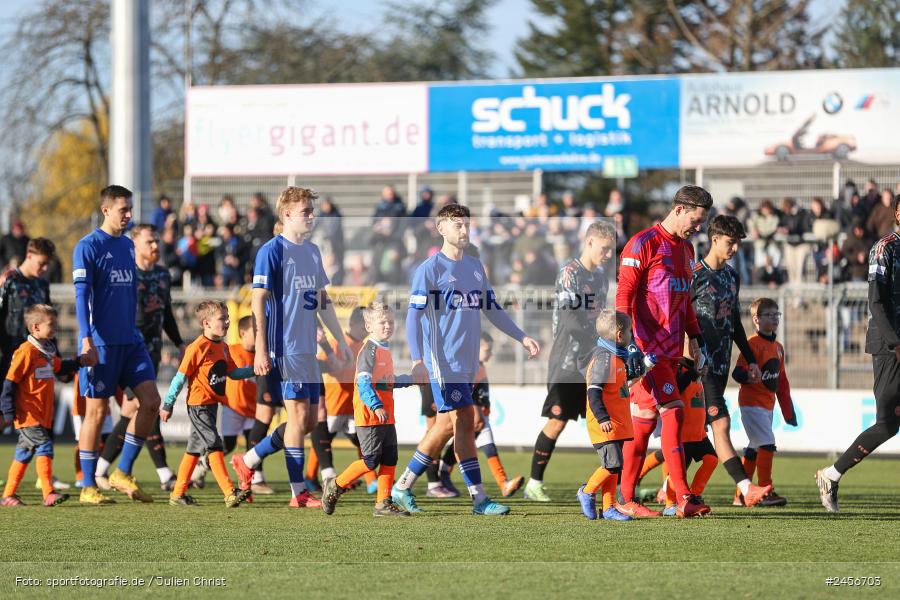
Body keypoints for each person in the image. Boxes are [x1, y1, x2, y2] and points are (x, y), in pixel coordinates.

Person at [391, 203, 540, 516]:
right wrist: (418, 360)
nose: (464, 230)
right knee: (464, 421)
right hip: (442, 364)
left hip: (467, 363)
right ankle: (479, 499)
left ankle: (403, 486)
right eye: (457, 224)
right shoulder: (429, 270)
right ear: (441, 228)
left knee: (450, 426)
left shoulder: (474, 266)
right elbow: (412, 318)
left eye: (466, 224)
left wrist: (521, 336)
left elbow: (492, 308)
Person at [230, 186, 351, 509]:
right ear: (286, 216)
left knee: (310, 421)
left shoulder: (311, 252)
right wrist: (259, 349)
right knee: (297, 418)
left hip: (308, 350)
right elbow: (258, 299)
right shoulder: (270, 251)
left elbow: (322, 301)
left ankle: (251, 458)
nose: (311, 216)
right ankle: (299, 492)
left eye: (312, 211)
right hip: (284, 348)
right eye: (305, 212)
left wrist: (339, 340)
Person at [615, 185, 713, 519]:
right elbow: (624, 296)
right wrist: (626, 343)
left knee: (643, 424)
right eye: (696, 220)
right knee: (673, 409)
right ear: (681, 209)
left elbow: (684, 300)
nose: (698, 228)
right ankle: (682, 496)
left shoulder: (687, 250)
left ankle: (623, 497)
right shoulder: (643, 243)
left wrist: (695, 339)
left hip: (671, 349)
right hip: (646, 350)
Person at [73, 185, 163, 505]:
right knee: (96, 413)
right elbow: (82, 297)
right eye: (123, 209)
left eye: (130, 209)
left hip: (131, 342)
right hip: (102, 343)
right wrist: (86, 338)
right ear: (106, 210)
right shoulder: (87, 247)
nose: (129, 215)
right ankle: (87, 486)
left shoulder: (127, 246)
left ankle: (122, 470)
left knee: (151, 402)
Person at [816, 195, 900, 512]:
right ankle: (831, 475)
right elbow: (876, 302)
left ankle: (831, 475)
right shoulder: (885, 247)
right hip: (889, 344)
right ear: (897, 214)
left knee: (889, 425)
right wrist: (896, 343)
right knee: (887, 424)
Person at [523, 221, 615, 502]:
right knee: (557, 420)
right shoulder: (569, 272)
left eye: (612, 250)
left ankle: (620, 485)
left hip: (593, 358)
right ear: (589, 243)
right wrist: (598, 341)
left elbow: (598, 317)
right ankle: (534, 484)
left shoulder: (600, 277)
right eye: (605, 249)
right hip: (567, 358)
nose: (609, 255)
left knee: (608, 419)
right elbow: (569, 318)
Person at [95, 224, 185, 492]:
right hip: (129, 350)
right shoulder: (126, 274)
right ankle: (163, 472)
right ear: (135, 246)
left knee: (132, 410)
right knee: (146, 405)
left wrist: (179, 342)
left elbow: (166, 312)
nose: (156, 246)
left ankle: (102, 470)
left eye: (157, 241)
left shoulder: (162, 274)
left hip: (152, 350)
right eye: (150, 242)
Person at [690, 215, 772, 507]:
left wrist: (749, 359)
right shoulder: (693, 274)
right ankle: (746, 488)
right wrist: (690, 350)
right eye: (730, 242)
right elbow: (680, 317)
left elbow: (734, 322)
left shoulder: (732, 276)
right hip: (698, 366)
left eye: (737, 242)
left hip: (722, 364)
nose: (735, 248)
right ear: (714, 239)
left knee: (693, 434)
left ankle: (665, 489)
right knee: (720, 425)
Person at [321, 302, 413, 517]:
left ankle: (383, 503)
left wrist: (409, 380)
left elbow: (385, 382)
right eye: (382, 322)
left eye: (390, 321)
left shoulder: (384, 348)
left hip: (386, 414)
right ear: (369, 325)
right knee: (371, 460)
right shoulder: (369, 349)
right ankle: (335, 485)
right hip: (370, 414)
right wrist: (376, 404)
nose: (388, 326)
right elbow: (363, 383)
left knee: (390, 458)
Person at [160, 301, 254, 507]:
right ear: (206, 323)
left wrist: (254, 369)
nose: (227, 321)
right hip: (199, 405)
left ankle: (177, 494)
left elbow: (234, 373)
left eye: (227, 317)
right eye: (222, 318)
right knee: (214, 445)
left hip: (212, 406)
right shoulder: (196, 348)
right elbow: (179, 378)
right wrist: (167, 404)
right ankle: (230, 493)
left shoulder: (223, 347)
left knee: (194, 449)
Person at [0, 305, 80, 506]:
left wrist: (81, 362)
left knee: (24, 453)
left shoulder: (46, 351)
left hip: (41, 415)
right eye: (51, 325)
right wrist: (8, 411)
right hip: (28, 414)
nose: (55, 329)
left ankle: (8, 495)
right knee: (45, 446)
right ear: (35, 327)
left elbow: (61, 367)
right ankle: (48, 493)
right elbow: (9, 382)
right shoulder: (26, 352)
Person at [436, 332, 526, 498]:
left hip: (482, 418)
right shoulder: (471, 368)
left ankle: (503, 484)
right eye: (487, 349)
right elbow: (470, 394)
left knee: (490, 449)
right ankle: (444, 472)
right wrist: (478, 416)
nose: (490, 353)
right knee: (462, 444)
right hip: (475, 418)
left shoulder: (480, 366)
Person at [732, 298, 795, 507]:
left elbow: (782, 382)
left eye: (776, 314)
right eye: (769, 315)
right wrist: (748, 376)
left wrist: (788, 412)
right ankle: (766, 489)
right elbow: (738, 372)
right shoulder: (752, 344)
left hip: (767, 405)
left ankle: (741, 495)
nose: (774, 319)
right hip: (751, 403)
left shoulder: (778, 347)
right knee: (767, 443)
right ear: (756, 319)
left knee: (755, 447)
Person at [576, 310, 638, 522]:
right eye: (630, 331)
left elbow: (620, 385)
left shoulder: (615, 357)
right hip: (605, 423)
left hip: (616, 422)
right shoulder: (603, 358)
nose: (632, 335)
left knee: (615, 466)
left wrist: (643, 369)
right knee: (612, 465)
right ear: (620, 335)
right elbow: (593, 391)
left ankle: (609, 508)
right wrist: (602, 418)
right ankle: (587, 491)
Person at [310, 307, 374, 490]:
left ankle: (372, 481)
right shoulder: (337, 344)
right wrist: (335, 367)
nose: (367, 328)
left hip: (354, 405)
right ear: (353, 323)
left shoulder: (367, 347)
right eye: (364, 324)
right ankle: (309, 477)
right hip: (334, 404)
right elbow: (322, 364)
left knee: (363, 440)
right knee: (324, 440)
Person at [658, 352, 718, 516]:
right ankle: (670, 503)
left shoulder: (697, 366)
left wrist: (704, 422)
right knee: (678, 473)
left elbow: (697, 398)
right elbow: (675, 389)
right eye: (689, 341)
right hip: (683, 433)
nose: (694, 347)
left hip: (698, 431)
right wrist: (692, 373)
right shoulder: (677, 367)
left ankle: (695, 494)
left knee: (711, 459)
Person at [0, 238, 54, 379]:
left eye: (47, 264)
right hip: (11, 359)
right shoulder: (9, 281)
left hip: (38, 359)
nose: (45, 269)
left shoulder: (43, 285)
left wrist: (57, 356)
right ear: (29, 255)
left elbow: (48, 321)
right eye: (41, 263)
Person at [222, 316, 257, 456]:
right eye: (256, 330)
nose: (260, 334)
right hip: (233, 407)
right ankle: (201, 467)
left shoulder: (263, 354)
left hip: (254, 408)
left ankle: (252, 477)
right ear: (243, 333)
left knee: (253, 446)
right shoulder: (230, 351)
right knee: (228, 445)